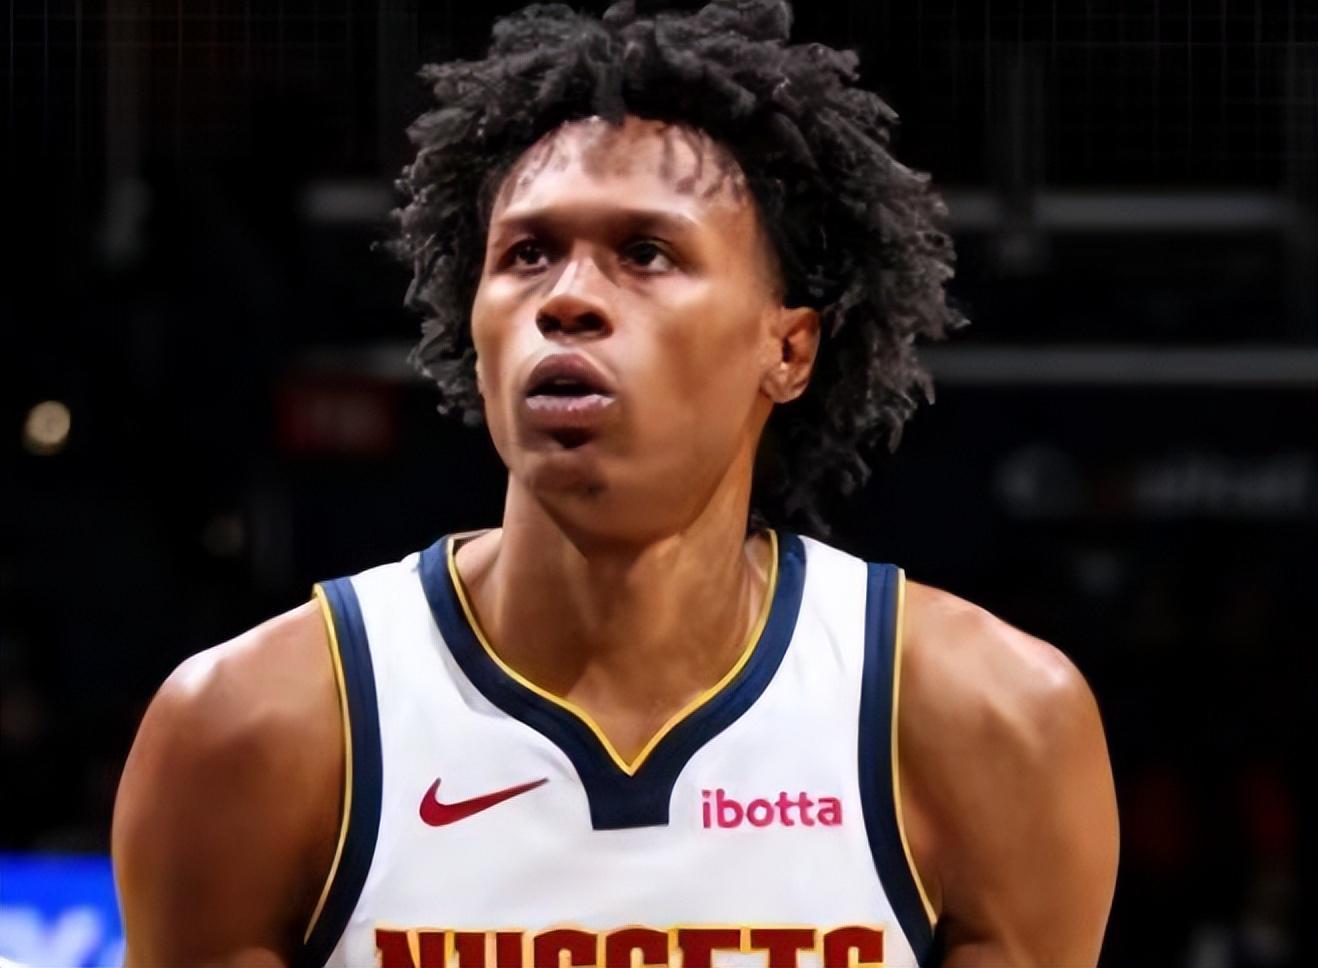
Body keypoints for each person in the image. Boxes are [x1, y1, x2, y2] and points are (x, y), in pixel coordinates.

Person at [112, 1, 1119, 965]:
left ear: (788, 348)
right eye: (527, 253)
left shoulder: (983, 723)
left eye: (644, 252)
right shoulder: (256, 728)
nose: (568, 299)